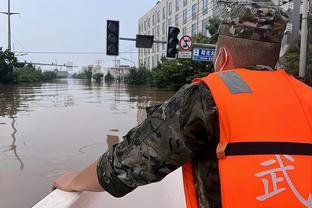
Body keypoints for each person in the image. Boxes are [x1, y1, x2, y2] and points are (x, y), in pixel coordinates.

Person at [54, 1, 312, 207]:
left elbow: (126, 163)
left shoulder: (207, 96)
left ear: (221, 57)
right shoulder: (306, 95)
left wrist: (74, 181)